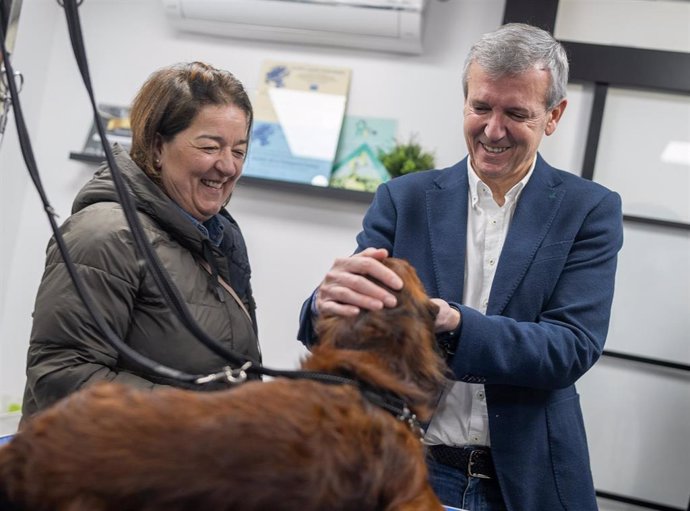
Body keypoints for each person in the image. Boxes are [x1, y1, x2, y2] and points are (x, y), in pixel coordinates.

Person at [298, 23, 623, 511]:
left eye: (516, 113)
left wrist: (455, 325)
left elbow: (571, 347)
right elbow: (352, 318)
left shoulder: (588, 210)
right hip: (410, 469)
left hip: (525, 482)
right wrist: (325, 304)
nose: (493, 130)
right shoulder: (403, 199)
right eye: (480, 108)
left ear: (553, 116)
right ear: (465, 101)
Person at [21, 62, 261, 420]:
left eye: (238, 151)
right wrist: (204, 417)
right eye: (210, 147)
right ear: (156, 146)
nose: (228, 166)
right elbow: (62, 375)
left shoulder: (218, 236)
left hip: (184, 464)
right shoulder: (104, 235)